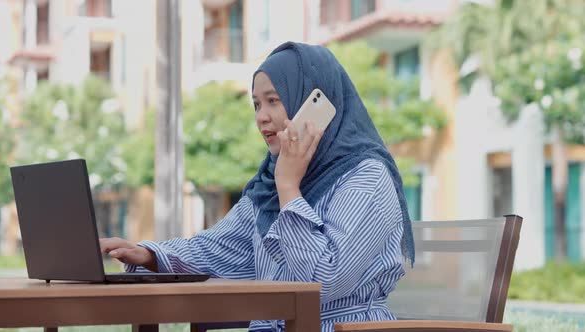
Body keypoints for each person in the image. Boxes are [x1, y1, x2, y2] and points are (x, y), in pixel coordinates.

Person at [100, 41, 415, 332]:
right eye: (256, 104)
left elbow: (322, 281)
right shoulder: (270, 184)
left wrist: (290, 189)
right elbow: (219, 247)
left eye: (274, 101)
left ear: (314, 104)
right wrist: (149, 255)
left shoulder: (366, 178)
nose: (262, 117)